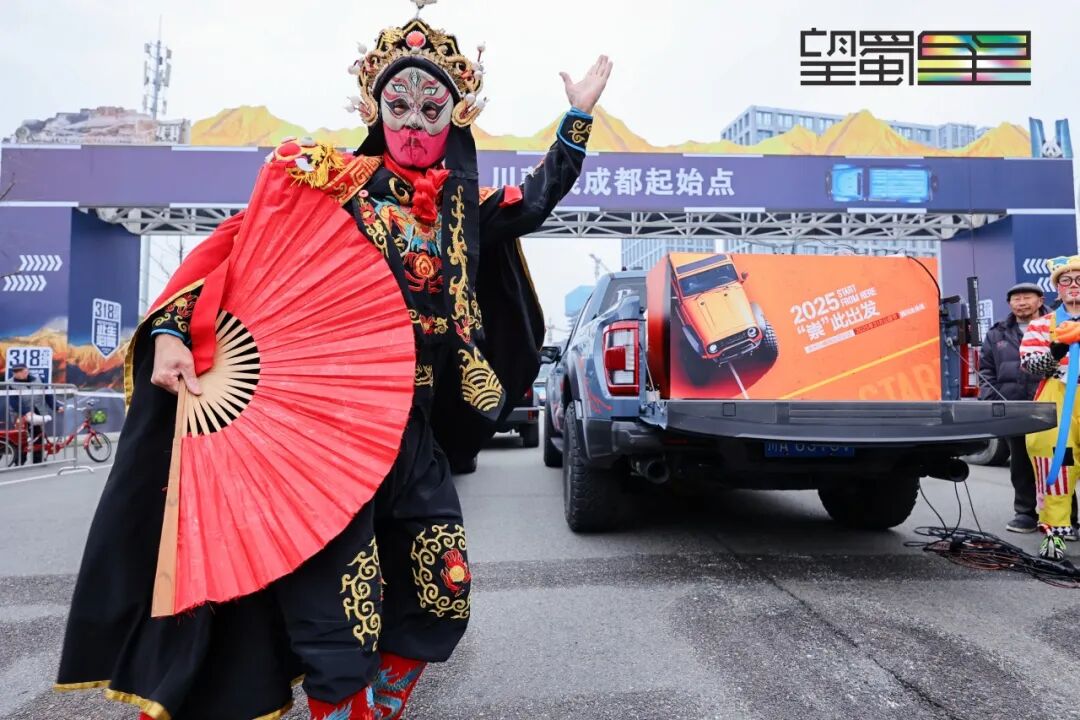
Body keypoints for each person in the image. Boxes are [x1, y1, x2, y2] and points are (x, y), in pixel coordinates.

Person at [55, 4, 611, 719]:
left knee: (444, 587)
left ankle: (373, 710)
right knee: (342, 611)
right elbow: (235, 247)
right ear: (374, 109)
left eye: (432, 108)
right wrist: (171, 329)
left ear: (457, 115)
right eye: (399, 105)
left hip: (415, 429)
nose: (414, 123)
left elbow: (534, 201)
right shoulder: (333, 186)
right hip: (333, 431)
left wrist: (577, 119)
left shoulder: (463, 206)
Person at [1019, 257, 1080, 560]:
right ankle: (1054, 534)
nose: (1073, 286)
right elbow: (1030, 365)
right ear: (1058, 289)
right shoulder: (1041, 325)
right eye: (1066, 281)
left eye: (1079, 280)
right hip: (1057, 400)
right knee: (1056, 465)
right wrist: (1055, 352)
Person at [979, 283, 1049, 533]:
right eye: (1016, 299)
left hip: (1050, 405)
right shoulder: (997, 333)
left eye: (1027, 297)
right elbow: (986, 370)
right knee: (1020, 463)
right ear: (1009, 304)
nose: (1021, 302)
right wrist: (994, 400)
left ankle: (1064, 516)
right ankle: (1025, 513)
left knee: (1058, 462)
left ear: (1040, 301)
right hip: (1014, 407)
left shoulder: (1057, 326)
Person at [6, 363, 61, 465]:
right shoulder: (10, 383)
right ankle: (19, 462)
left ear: (27, 371)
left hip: (37, 411)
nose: (17, 373)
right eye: (15, 371)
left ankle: (38, 461)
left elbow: (48, 395)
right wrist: (26, 411)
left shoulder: (39, 380)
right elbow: (13, 401)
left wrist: (57, 407)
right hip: (20, 413)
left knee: (38, 436)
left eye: (20, 371)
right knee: (21, 438)